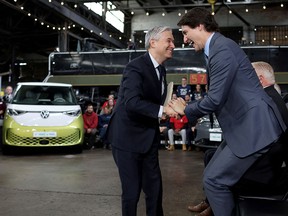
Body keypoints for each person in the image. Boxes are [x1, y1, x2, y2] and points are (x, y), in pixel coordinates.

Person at [170, 8, 286, 216]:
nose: (185, 39)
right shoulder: (217, 48)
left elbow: (215, 98)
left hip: (253, 128)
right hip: (244, 127)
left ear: (200, 26)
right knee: (212, 174)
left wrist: (185, 109)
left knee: (214, 180)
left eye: (186, 32)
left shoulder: (221, 49)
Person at [187, 61, 288, 216]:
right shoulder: (272, 97)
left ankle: (216, 206)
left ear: (259, 79)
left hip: (261, 171)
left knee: (215, 178)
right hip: (265, 162)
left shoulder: (265, 102)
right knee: (213, 156)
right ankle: (212, 204)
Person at [106, 26, 177, 216]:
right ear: (153, 43)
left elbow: (153, 101)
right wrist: (163, 111)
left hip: (149, 137)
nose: (173, 45)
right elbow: (132, 102)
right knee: (132, 192)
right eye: (169, 40)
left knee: (155, 189)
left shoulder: (161, 69)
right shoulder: (135, 67)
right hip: (126, 139)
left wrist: (166, 110)